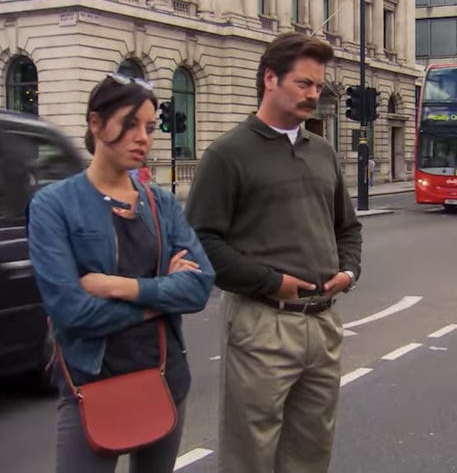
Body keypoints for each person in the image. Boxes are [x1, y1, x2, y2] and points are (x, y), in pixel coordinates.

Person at [185, 32, 363, 473]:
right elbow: (202, 243)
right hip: (262, 323)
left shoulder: (322, 152)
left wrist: (349, 270)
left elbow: (348, 227)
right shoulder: (227, 154)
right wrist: (272, 281)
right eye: (304, 84)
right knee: (251, 453)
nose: (313, 95)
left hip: (323, 323)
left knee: (311, 451)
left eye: (318, 87)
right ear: (270, 78)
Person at [26, 73, 215, 473]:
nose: (143, 137)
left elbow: (199, 286)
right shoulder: (53, 205)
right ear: (96, 124)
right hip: (89, 383)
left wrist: (118, 286)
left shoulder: (160, 204)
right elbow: (71, 312)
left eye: (149, 127)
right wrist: (157, 301)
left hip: (164, 376)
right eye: (129, 124)